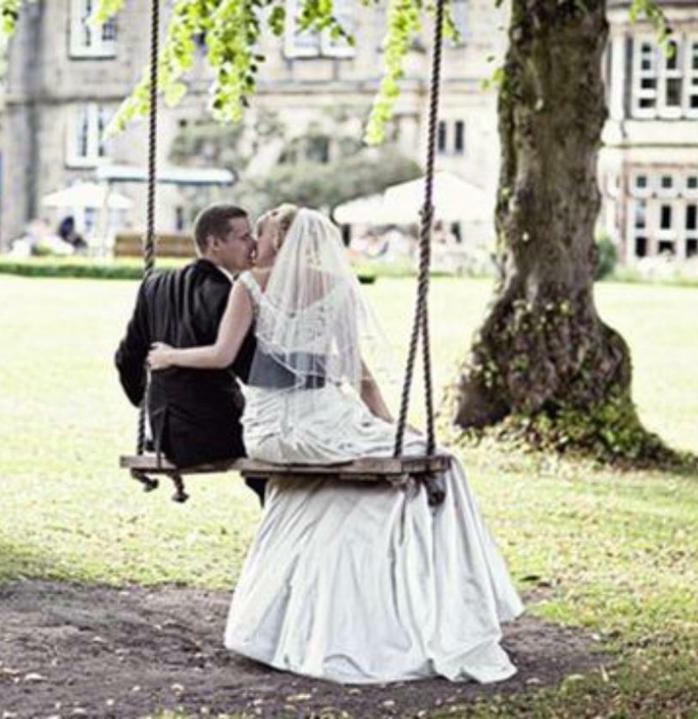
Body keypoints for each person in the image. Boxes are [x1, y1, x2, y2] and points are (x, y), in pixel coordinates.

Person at [147, 205, 523, 684]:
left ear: (278, 240)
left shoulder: (251, 286)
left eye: (258, 233)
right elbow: (358, 374)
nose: (254, 244)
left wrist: (170, 356)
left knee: (399, 472)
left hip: (275, 429)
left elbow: (222, 355)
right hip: (325, 417)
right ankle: (433, 604)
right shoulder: (338, 287)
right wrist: (390, 424)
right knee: (435, 463)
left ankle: (368, 612)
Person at [114, 204, 265, 505]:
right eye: (245, 237)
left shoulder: (154, 286)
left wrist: (149, 408)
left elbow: (125, 357)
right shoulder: (227, 294)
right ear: (214, 243)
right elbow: (251, 369)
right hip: (213, 431)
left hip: (163, 434)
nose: (254, 245)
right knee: (272, 444)